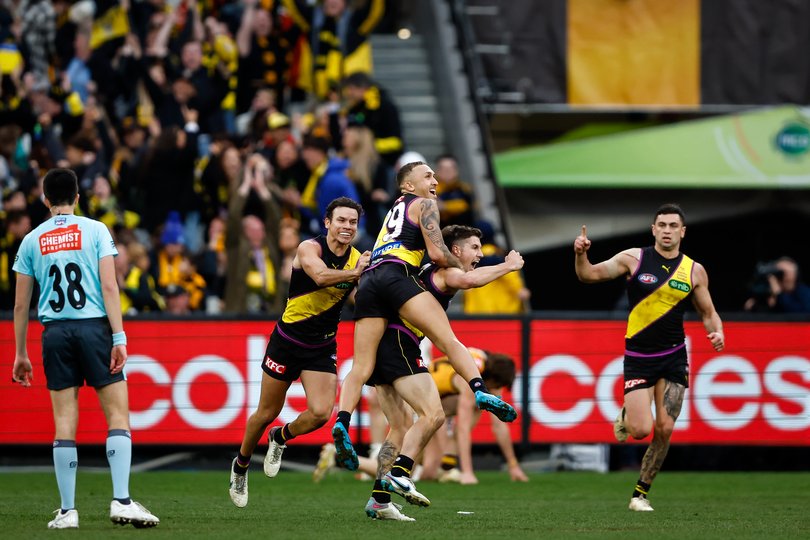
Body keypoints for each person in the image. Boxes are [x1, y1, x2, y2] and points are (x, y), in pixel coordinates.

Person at [331, 162, 517, 476]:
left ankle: (342, 422)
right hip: (396, 288)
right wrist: (506, 264)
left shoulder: (394, 210)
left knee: (364, 373)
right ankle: (480, 389)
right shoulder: (426, 206)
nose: (435, 180)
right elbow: (440, 257)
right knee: (448, 344)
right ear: (408, 186)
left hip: (370, 282)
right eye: (428, 175)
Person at [11, 168, 159, 529]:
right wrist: (119, 337)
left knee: (64, 422)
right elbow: (110, 287)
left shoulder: (31, 239)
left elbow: (20, 306)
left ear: (45, 200)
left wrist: (20, 353)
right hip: (94, 328)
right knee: (118, 417)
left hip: (55, 333)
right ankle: (121, 501)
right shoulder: (95, 230)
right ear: (78, 197)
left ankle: (67, 511)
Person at [361, 225, 525, 521]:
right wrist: (509, 266)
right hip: (401, 343)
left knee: (399, 427)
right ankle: (401, 471)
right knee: (434, 414)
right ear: (456, 250)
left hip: (384, 344)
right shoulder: (447, 272)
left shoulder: (423, 267)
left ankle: (379, 500)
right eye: (474, 247)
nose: (479, 253)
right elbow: (470, 280)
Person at [573, 203, 725, 512]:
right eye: (662, 225)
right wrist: (580, 254)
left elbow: (708, 313)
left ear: (682, 231)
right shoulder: (633, 259)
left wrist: (717, 331)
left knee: (665, 429)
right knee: (641, 430)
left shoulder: (694, 270)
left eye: (673, 225)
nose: (667, 230)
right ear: (653, 229)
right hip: (639, 357)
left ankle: (640, 493)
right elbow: (588, 276)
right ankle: (628, 415)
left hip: (674, 357)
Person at [228, 197, 370, 508]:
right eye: (342, 221)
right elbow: (320, 276)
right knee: (265, 412)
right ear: (327, 223)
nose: (347, 227)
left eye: (353, 222)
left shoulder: (358, 259)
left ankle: (280, 437)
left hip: (321, 346)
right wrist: (356, 273)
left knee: (321, 413)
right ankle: (240, 466)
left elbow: (360, 301)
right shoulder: (310, 248)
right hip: (287, 341)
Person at [421, 348, 529, 486]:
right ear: (491, 379)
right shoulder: (470, 378)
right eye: (497, 386)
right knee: (428, 472)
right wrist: (467, 472)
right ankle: (445, 454)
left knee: (432, 470)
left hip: (437, 403)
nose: (497, 390)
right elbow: (463, 427)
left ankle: (447, 453)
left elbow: (500, 425)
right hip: (420, 403)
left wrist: (513, 465)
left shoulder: (486, 369)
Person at [744, 256, 810, 313]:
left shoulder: (803, 292)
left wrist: (779, 294)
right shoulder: (768, 290)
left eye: (784, 272)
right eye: (779, 272)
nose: (782, 276)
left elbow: (801, 313)